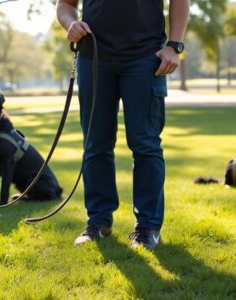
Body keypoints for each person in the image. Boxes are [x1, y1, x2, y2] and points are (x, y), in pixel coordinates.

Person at [56, 0, 189, 249]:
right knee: (95, 144)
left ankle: (148, 228)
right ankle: (98, 222)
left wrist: (174, 45)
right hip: (93, 56)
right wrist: (70, 23)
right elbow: (65, 5)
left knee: (145, 144)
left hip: (146, 58)